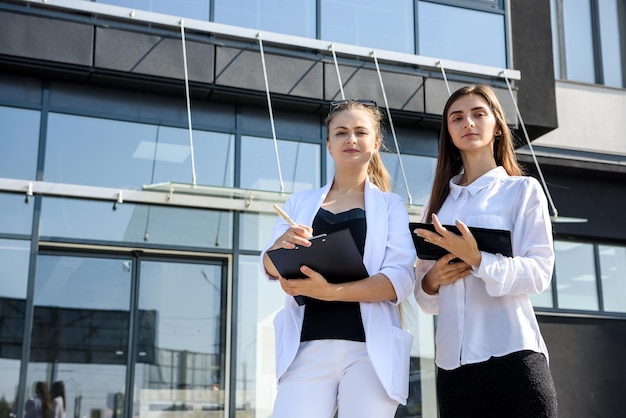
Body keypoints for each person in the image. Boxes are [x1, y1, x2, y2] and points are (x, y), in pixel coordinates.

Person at [260, 99, 416, 418]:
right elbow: (270, 267)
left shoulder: (390, 206)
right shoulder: (300, 202)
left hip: (369, 354)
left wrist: (330, 292)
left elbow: (400, 280)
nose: (351, 139)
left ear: (376, 142)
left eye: (361, 132)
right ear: (329, 143)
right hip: (306, 348)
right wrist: (279, 245)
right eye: (341, 132)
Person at [412, 84, 558, 418]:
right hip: (454, 369)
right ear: (448, 132)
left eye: (479, 114)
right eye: (457, 118)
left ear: (496, 126)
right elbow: (425, 299)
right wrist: (432, 280)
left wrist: (478, 259)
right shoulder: (434, 206)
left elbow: (539, 273)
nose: (468, 123)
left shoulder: (522, 190)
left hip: (515, 359)